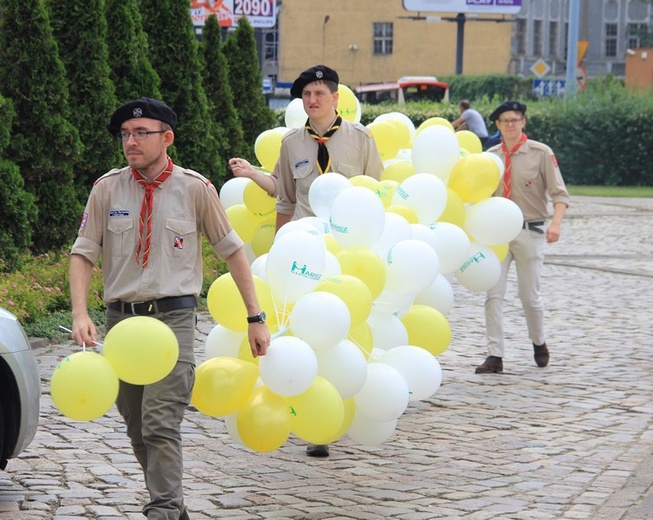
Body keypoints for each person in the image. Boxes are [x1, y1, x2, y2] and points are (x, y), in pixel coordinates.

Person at [69, 97, 270, 520]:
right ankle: (174, 507)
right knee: (137, 426)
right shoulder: (107, 188)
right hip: (121, 322)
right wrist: (80, 314)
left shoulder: (195, 188)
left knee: (161, 421)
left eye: (141, 133)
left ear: (167, 138)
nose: (131, 141)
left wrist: (255, 318)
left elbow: (233, 253)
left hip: (172, 320)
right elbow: (83, 254)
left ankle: (160, 510)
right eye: (125, 134)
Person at [230, 65, 384, 457]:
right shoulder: (292, 143)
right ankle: (317, 420)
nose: (312, 100)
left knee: (342, 323)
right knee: (306, 322)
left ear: (336, 97)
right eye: (306, 95)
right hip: (303, 246)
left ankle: (351, 391)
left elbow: (376, 197)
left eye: (319, 93)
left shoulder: (361, 140)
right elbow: (284, 197)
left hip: (348, 248)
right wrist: (281, 244)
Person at [475, 100, 569, 375]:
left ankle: (538, 342)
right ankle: (495, 355)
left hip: (532, 229)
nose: (510, 125)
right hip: (497, 236)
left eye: (515, 120)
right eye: (505, 121)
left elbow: (560, 194)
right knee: (493, 294)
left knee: (529, 296)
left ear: (523, 122)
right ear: (497, 125)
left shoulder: (540, 153)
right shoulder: (490, 157)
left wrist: (556, 224)